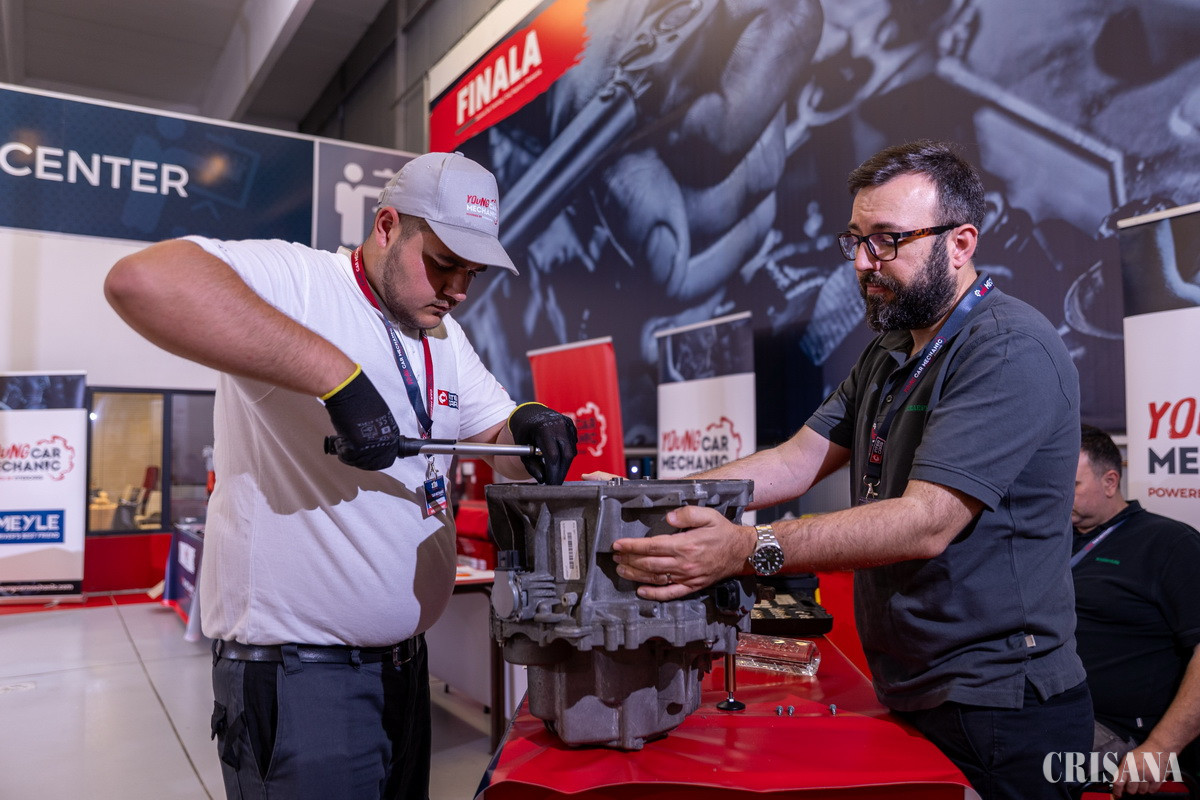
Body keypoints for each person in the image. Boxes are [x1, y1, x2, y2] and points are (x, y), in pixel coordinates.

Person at [609, 140, 1092, 799]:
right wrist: (652, 498)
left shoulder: (1007, 348)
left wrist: (745, 548)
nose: (864, 262)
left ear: (960, 243)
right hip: (917, 686)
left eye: (888, 240)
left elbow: (925, 523)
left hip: (1003, 709)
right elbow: (796, 459)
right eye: (857, 240)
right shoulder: (889, 351)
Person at [104, 151, 578, 800]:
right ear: (387, 226)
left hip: (404, 668)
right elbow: (141, 280)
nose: (458, 290)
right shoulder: (303, 283)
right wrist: (337, 378)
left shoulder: (442, 336)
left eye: (471, 273)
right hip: (303, 680)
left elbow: (496, 435)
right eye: (443, 263)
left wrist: (529, 425)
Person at [1072, 424, 1200, 796]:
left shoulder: (1170, 544)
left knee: (1017, 763)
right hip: (1047, 712)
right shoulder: (1051, 541)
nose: (1058, 494)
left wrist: (1161, 747)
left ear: (1110, 482)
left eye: (1072, 484)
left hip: (1119, 737)